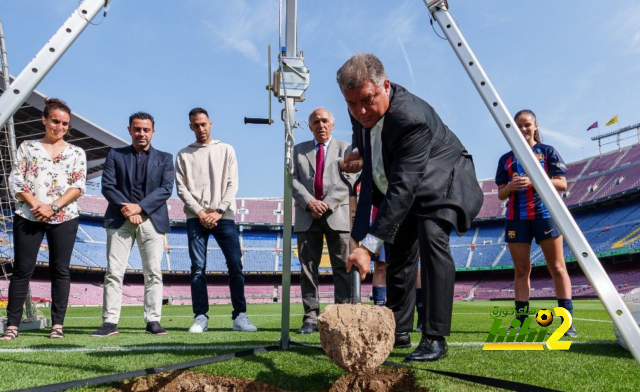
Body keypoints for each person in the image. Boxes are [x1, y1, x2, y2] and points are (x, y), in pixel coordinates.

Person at [339, 53, 483, 362]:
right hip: (405, 181)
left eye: (367, 100)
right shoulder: (358, 106)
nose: (360, 111)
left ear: (385, 85)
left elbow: (404, 187)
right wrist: (356, 153)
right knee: (400, 250)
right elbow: (364, 137)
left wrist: (367, 246)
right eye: (351, 104)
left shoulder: (410, 118)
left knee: (431, 237)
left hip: (444, 179)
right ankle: (398, 330)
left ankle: (434, 336)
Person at [2, 98, 86, 341]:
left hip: (64, 217)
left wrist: (53, 206)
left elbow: (78, 186)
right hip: (29, 214)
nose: (59, 127)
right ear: (45, 120)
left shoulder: (76, 152)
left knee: (60, 271)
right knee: (22, 270)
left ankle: (57, 325)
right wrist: (35, 204)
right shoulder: (27, 147)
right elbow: (16, 179)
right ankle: (12, 326)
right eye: (55, 121)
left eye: (65, 123)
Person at [91, 111, 174, 337]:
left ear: (153, 132)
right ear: (129, 130)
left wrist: (140, 208)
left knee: (153, 272)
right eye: (137, 129)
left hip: (151, 220)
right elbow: (108, 186)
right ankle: (110, 322)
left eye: (146, 129)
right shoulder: (115, 155)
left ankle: (153, 320)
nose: (141, 133)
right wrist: (128, 209)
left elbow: (166, 189)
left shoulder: (165, 158)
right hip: (120, 218)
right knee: (114, 272)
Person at [495, 109, 577, 337]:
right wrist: (511, 187)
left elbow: (562, 184)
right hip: (516, 219)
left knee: (557, 268)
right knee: (521, 270)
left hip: (545, 215)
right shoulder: (506, 159)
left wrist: (535, 181)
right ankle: (520, 320)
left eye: (527, 125)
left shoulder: (547, 152)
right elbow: (501, 194)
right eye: (518, 125)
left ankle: (566, 321)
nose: (523, 129)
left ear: (536, 126)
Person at [175, 107, 257, 333]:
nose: (200, 128)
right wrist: (201, 213)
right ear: (190, 126)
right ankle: (201, 316)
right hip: (196, 217)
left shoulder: (226, 149)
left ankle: (239, 315)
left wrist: (218, 211)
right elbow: (181, 189)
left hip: (224, 216)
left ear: (210, 123)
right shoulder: (183, 154)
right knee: (198, 268)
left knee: (235, 265)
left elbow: (233, 184)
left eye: (203, 124)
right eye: (195, 125)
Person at [291, 108, 353, 334]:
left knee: (342, 266)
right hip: (307, 216)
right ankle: (310, 317)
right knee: (308, 268)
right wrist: (310, 202)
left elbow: (350, 178)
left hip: (337, 214)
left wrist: (325, 203)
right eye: (316, 121)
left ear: (332, 124)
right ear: (310, 126)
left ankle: (343, 314)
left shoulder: (346, 148)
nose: (321, 125)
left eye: (325, 120)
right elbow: (292, 179)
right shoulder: (298, 151)